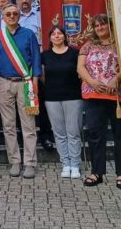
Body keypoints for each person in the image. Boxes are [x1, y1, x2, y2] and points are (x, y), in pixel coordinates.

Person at [77, 13, 121, 188]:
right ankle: (97, 172)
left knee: (120, 134)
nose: (99, 28)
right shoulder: (88, 46)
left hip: (116, 95)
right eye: (97, 26)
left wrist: (118, 79)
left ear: (110, 26)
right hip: (94, 95)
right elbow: (80, 67)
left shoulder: (120, 45)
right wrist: (91, 81)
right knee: (95, 134)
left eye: (103, 25)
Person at [0, 4, 41, 179]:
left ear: (19, 16)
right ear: (2, 17)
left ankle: (29, 163)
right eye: (8, 14)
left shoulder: (28, 34)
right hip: (4, 83)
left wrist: (35, 82)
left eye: (15, 13)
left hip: (25, 84)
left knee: (28, 125)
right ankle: (14, 161)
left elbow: (36, 58)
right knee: (9, 125)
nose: (12, 16)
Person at [41, 25, 83, 179]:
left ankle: (75, 164)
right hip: (52, 97)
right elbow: (43, 76)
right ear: (50, 38)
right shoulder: (45, 55)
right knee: (59, 133)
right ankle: (65, 163)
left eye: (60, 33)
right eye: (54, 34)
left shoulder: (74, 53)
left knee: (73, 132)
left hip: (73, 96)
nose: (57, 36)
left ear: (65, 36)